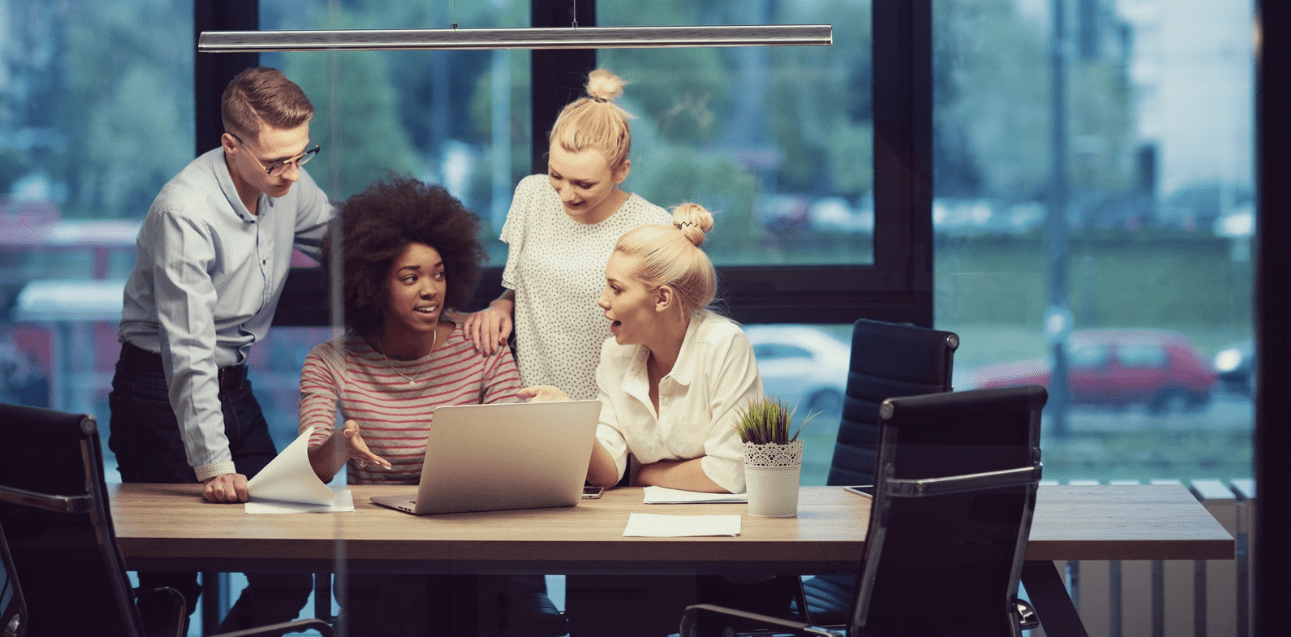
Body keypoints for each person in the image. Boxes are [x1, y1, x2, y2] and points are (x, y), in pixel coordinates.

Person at [108, 66, 330, 633]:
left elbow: (344, 240)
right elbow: (187, 349)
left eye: (301, 155)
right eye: (275, 161)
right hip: (157, 391)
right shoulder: (185, 209)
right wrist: (214, 465)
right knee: (172, 579)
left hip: (233, 386)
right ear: (230, 145)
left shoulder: (290, 183)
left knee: (287, 570)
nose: (291, 174)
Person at [521, 204, 798, 635]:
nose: (602, 299)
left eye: (615, 288)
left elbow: (729, 473)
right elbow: (610, 469)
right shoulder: (616, 353)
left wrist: (648, 473)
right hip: (653, 553)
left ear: (662, 298)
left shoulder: (724, 345)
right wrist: (568, 419)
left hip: (729, 562)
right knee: (600, 604)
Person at [298, 175, 523, 636]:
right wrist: (341, 447)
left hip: (472, 541)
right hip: (381, 555)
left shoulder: (480, 346)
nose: (430, 289)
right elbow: (309, 469)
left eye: (438, 273)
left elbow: (518, 444)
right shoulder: (330, 362)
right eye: (410, 277)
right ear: (372, 284)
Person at [462, 67, 672, 401]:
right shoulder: (531, 194)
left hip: (615, 406)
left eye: (584, 184)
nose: (566, 194)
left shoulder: (649, 223)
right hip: (534, 400)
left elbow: (665, 326)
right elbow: (527, 285)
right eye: (556, 175)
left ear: (622, 171)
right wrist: (501, 307)